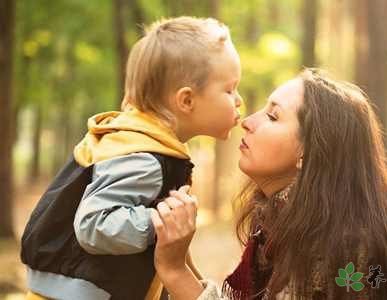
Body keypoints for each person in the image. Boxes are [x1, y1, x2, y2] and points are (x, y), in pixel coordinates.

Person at [150, 69, 387, 300]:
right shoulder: (290, 222)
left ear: (309, 152)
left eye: (273, 116)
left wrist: (175, 270)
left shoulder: (341, 244)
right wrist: (181, 255)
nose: (247, 123)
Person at [21, 16, 242, 300]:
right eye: (229, 89)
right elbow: (92, 223)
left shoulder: (148, 145)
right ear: (186, 100)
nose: (238, 101)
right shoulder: (143, 157)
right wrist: (160, 220)